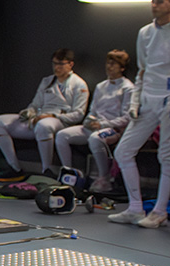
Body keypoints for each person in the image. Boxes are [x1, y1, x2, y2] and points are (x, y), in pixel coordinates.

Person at [109, 0, 170, 228]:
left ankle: (160, 212)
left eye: (160, 1)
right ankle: (135, 208)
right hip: (148, 100)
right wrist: (135, 101)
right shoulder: (145, 33)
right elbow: (142, 69)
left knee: (166, 156)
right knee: (123, 151)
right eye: (153, 1)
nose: (154, 5)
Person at [0, 48, 89, 182]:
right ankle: (15, 168)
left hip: (60, 121)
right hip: (38, 119)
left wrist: (53, 116)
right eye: (54, 63)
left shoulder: (79, 84)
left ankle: (46, 169)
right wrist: (29, 112)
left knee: (44, 125)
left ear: (70, 64)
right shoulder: (47, 81)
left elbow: (78, 114)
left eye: (60, 64)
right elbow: (35, 104)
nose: (56, 67)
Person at [54, 50, 134, 192]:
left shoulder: (128, 88)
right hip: (94, 126)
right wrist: (89, 121)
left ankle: (104, 178)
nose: (109, 67)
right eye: (108, 63)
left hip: (114, 129)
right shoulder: (100, 86)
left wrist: (102, 124)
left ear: (122, 68)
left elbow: (126, 118)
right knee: (62, 135)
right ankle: (69, 174)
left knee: (95, 139)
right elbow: (93, 110)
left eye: (113, 64)